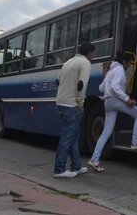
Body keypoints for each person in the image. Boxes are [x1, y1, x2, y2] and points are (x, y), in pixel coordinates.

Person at [88, 50, 137, 172]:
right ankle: (135, 142)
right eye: (128, 63)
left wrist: (106, 78)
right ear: (123, 61)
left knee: (106, 132)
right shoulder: (119, 70)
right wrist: (127, 99)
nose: (129, 66)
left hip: (107, 102)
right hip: (116, 101)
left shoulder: (110, 71)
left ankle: (94, 159)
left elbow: (101, 88)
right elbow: (115, 87)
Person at [53, 42, 95, 178]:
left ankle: (76, 166)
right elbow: (82, 85)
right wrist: (81, 102)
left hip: (61, 102)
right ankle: (59, 169)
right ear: (88, 53)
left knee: (73, 136)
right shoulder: (85, 64)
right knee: (67, 137)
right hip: (72, 104)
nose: (93, 56)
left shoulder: (68, 62)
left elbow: (57, 81)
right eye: (93, 53)